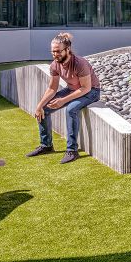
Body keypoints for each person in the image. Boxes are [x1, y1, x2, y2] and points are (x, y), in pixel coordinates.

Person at [26, 32, 101, 164]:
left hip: (91, 92)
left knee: (71, 109)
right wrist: (39, 106)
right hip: (73, 89)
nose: (55, 54)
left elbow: (85, 88)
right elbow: (52, 88)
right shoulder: (54, 65)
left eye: (58, 51)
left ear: (68, 49)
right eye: (53, 52)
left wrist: (63, 100)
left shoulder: (80, 63)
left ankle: (72, 150)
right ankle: (46, 145)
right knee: (44, 108)